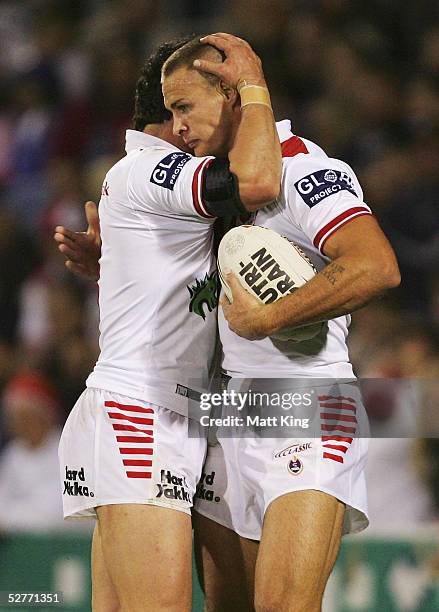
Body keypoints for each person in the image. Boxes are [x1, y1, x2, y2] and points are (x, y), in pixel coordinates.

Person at [58, 36, 400, 612]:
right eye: (168, 111)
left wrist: (270, 318)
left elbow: (377, 267)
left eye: (184, 107)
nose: (176, 125)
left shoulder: (304, 170)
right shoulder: (219, 187)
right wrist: (115, 266)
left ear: (232, 94)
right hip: (225, 411)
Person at [56, 34, 281, 612]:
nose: (188, 126)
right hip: (140, 410)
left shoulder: (146, 188)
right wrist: (254, 87)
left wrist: (112, 272)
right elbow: (257, 182)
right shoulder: (153, 169)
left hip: (160, 408)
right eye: (179, 109)